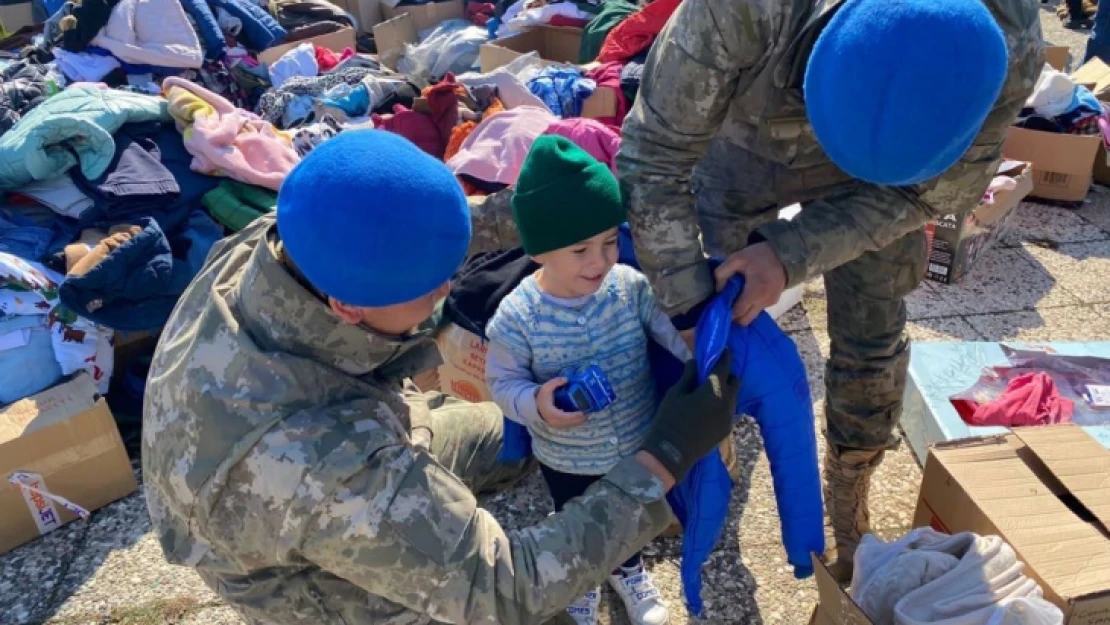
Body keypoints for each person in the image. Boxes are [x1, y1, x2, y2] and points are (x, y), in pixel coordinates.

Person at [141, 129, 741, 625]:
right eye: (429, 290)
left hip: (343, 443)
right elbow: (507, 588)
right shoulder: (321, 464)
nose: (448, 291)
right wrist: (661, 460)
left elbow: (405, 220)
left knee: (505, 429)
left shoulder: (293, 238)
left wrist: (560, 212)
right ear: (348, 308)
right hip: (311, 577)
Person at [615, 0, 1043, 581]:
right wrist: (689, 309)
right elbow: (654, 158)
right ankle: (708, 443)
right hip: (743, 149)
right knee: (712, 313)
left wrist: (790, 254)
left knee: (874, 329)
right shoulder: (740, 12)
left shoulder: (1005, 39)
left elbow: (930, 195)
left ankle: (850, 488)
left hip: (888, 187)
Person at [484, 136, 689, 625]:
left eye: (609, 242)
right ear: (540, 252)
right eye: (580, 249)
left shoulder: (630, 287)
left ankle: (630, 571)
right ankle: (583, 579)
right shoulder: (517, 317)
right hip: (565, 455)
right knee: (577, 518)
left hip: (634, 442)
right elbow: (502, 384)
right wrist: (537, 402)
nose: (599, 261)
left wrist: (707, 354)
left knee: (631, 518)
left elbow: (673, 335)